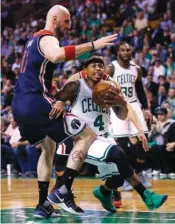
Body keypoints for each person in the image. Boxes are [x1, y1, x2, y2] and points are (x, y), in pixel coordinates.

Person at [11, 5, 117, 218]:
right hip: (35, 102)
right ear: (55, 19)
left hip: (19, 105)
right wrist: (93, 45)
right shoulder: (47, 38)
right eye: (66, 21)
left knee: (48, 148)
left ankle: (42, 205)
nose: (69, 26)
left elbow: (37, 72)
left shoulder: (32, 41)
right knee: (86, 135)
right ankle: (62, 191)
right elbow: (57, 55)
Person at [49, 54, 168, 213]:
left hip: (104, 136)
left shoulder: (110, 88)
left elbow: (121, 115)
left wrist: (121, 103)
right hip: (85, 139)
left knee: (119, 176)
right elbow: (58, 98)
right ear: (86, 69)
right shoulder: (76, 86)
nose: (98, 68)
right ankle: (147, 196)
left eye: (100, 65)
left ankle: (103, 193)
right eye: (93, 66)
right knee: (118, 154)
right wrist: (59, 101)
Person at [105, 42, 153, 206]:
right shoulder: (111, 68)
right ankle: (127, 178)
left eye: (129, 50)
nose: (126, 52)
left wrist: (146, 108)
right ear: (118, 52)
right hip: (118, 107)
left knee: (142, 142)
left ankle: (138, 173)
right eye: (123, 50)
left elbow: (139, 90)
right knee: (123, 146)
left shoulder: (136, 69)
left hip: (134, 106)